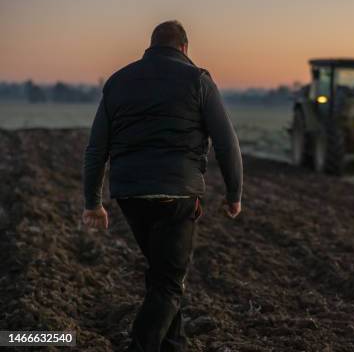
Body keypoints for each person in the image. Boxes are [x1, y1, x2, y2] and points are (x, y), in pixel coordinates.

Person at [81, 20, 243, 351]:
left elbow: (97, 148)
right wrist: (234, 194)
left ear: (151, 45)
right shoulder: (198, 80)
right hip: (178, 194)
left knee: (162, 274)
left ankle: (175, 345)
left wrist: (92, 202)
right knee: (169, 283)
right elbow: (227, 143)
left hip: (130, 194)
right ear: (184, 48)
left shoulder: (118, 81)